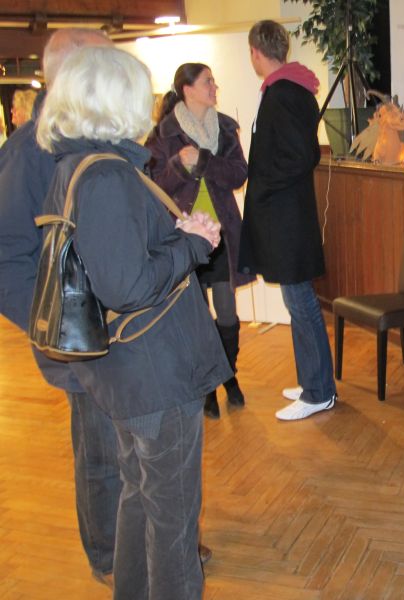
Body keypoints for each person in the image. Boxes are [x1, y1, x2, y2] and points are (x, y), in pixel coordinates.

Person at [36, 45, 230, 599]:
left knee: (140, 500)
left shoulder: (78, 166)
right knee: (172, 521)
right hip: (153, 374)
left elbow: (115, 262)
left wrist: (177, 235)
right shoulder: (108, 176)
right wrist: (191, 247)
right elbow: (127, 286)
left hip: (128, 373)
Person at [0, 28, 121, 587]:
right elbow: (8, 258)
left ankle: (148, 540)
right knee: (101, 453)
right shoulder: (31, 151)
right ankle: (110, 557)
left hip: (120, 328)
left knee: (134, 446)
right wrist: (57, 325)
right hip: (80, 338)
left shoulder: (92, 136)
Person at [239, 20, 337, 421]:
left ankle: (318, 392)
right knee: (299, 303)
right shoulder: (287, 88)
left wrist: (261, 185)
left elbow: (302, 156)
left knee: (302, 304)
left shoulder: (283, 93)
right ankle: (313, 381)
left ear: (256, 52)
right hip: (287, 217)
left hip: (287, 220)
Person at [147, 63, 252, 419]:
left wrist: (202, 161)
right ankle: (208, 388)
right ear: (187, 89)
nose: (214, 86)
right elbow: (155, 185)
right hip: (183, 237)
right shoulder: (163, 134)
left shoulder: (225, 128)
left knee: (227, 314)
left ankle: (230, 376)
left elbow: (239, 174)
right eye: (208, 81)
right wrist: (180, 164)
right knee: (197, 317)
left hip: (221, 236)